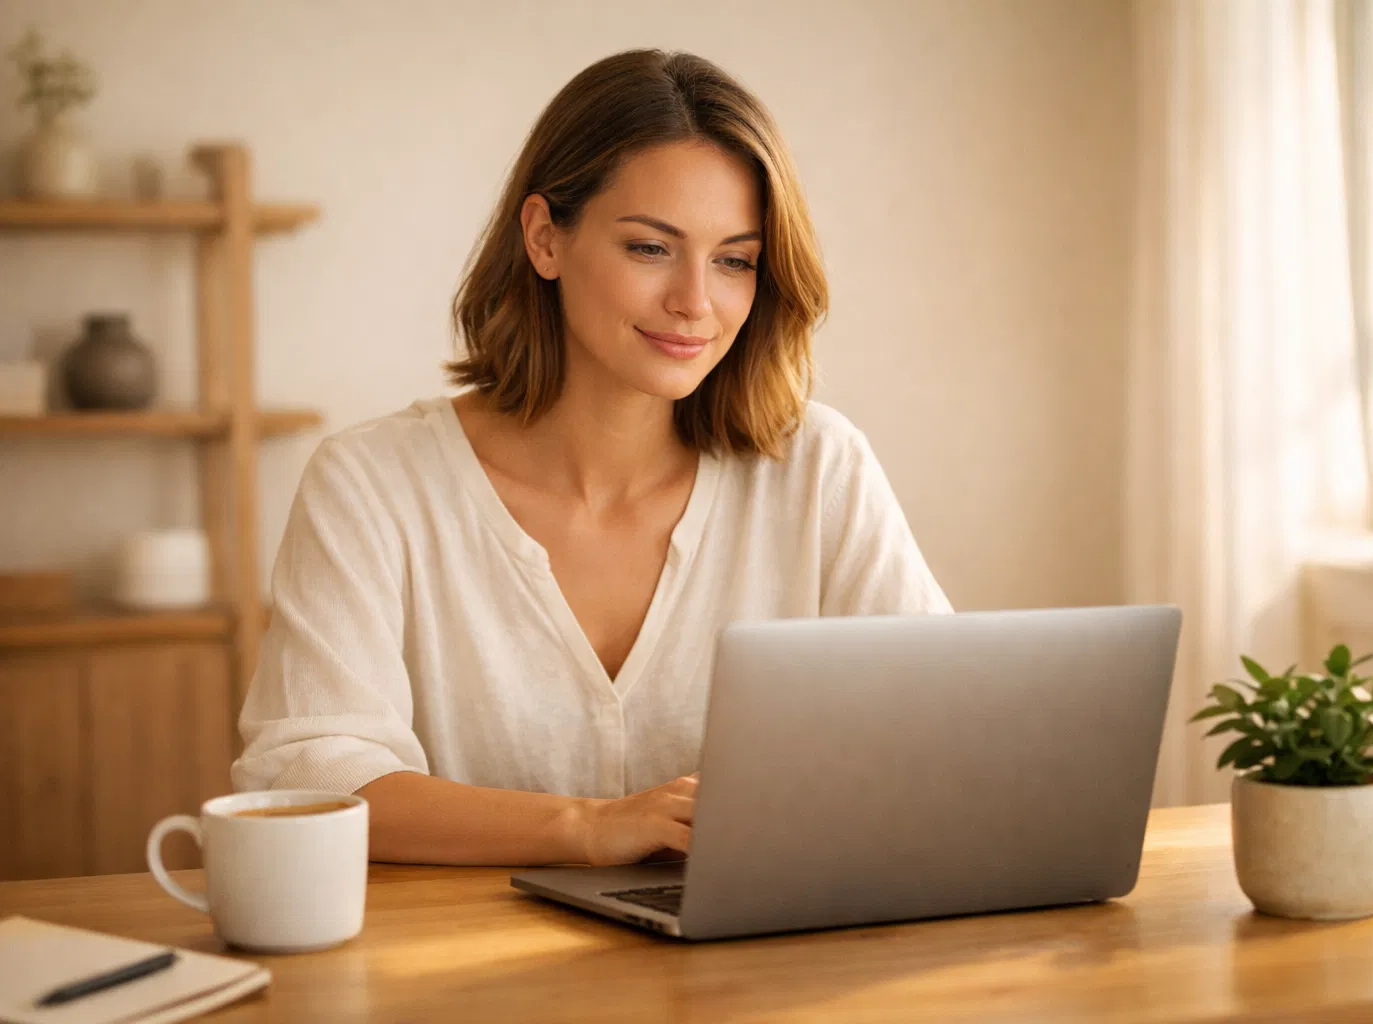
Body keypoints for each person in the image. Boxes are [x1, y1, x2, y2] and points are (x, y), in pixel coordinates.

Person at [232, 48, 949, 868]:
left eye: (735, 260)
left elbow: (938, 726)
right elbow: (312, 775)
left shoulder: (819, 470)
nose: (695, 302)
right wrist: (585, 826)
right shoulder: (372, 486)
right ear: (544, 237)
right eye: (650, 248)